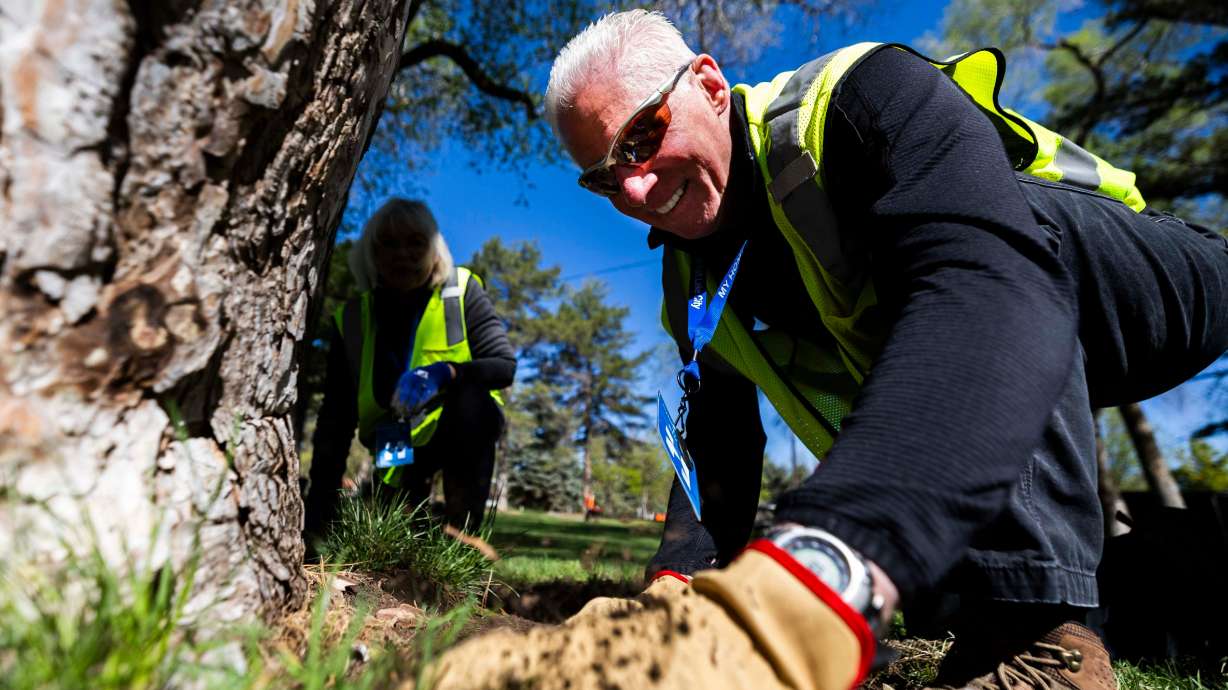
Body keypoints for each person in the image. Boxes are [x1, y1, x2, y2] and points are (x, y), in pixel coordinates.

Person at [494, 9, 1224, 690]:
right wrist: (674, 582)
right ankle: (1179, 570)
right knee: (939, 593)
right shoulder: (688, 278)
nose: (637, 187)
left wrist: (828, 552)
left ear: (711, 86)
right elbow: (717, 443)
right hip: (1001, 394)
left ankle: (1040, 640)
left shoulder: (859, 98)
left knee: (1007, 227)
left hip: (1147, 284)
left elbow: (986, 281)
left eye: (642, 138)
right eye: (604, 176)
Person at [303, 198, 515, 544]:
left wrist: (446, 373)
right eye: (389, 243)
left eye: (416, 242)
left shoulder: (461, 292)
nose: (402, 254)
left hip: (457, 429)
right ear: (372, 253)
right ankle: (400, 513)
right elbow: (335, 420)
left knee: (474, 405)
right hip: (394, 436)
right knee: (392, 528)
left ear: (434, 250)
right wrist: (318, 509)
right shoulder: (353, 319)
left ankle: (464, 539)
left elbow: (503, 366)